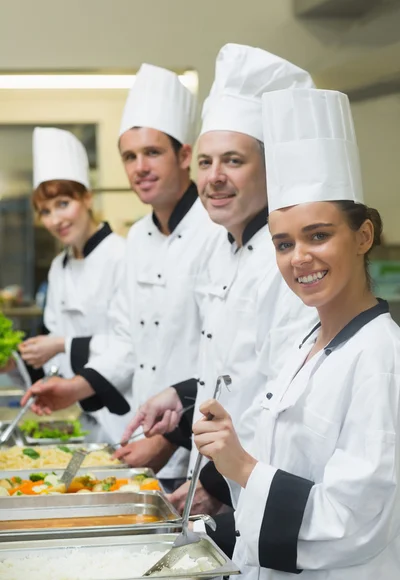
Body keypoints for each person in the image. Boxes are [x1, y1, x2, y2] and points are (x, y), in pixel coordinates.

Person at [191, 88, 400, 580]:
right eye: (284, 243)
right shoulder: (308, 342)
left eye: (319, 235)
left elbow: (354, 520)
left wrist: (239, 465)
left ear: (364, 235)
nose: (298, 257)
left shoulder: (381, 358)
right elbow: (284, 467)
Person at [122, 44, 318, 514]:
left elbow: (281, 398)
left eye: (233, 161)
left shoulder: (286, 263)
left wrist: (216, 478)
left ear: (269, 169)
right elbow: (231, 372)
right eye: (206, 163)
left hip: (258, 479)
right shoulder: (221, 250)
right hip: (216, 473)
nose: (214, 178)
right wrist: (183, 396)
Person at [21, 65, 220, 491]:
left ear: (184, 156)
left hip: (203, 444)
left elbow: (224, 358)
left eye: (152, 152)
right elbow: (125, 339)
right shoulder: (140, 239)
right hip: (141, 432)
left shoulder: (216, 231)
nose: (139, 167)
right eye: (129, 156)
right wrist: (74, 387)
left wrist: (172, 434)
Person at [19, 127, 128, 441]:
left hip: (126, 414)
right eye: (45, 211)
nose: (55, 219)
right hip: (84, 418)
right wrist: (22, 360)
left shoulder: (121, 255)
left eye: (63, 203)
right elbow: (55, 353)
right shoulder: (59, 267)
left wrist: (61, 344)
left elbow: (133, 343)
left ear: (87, 197)